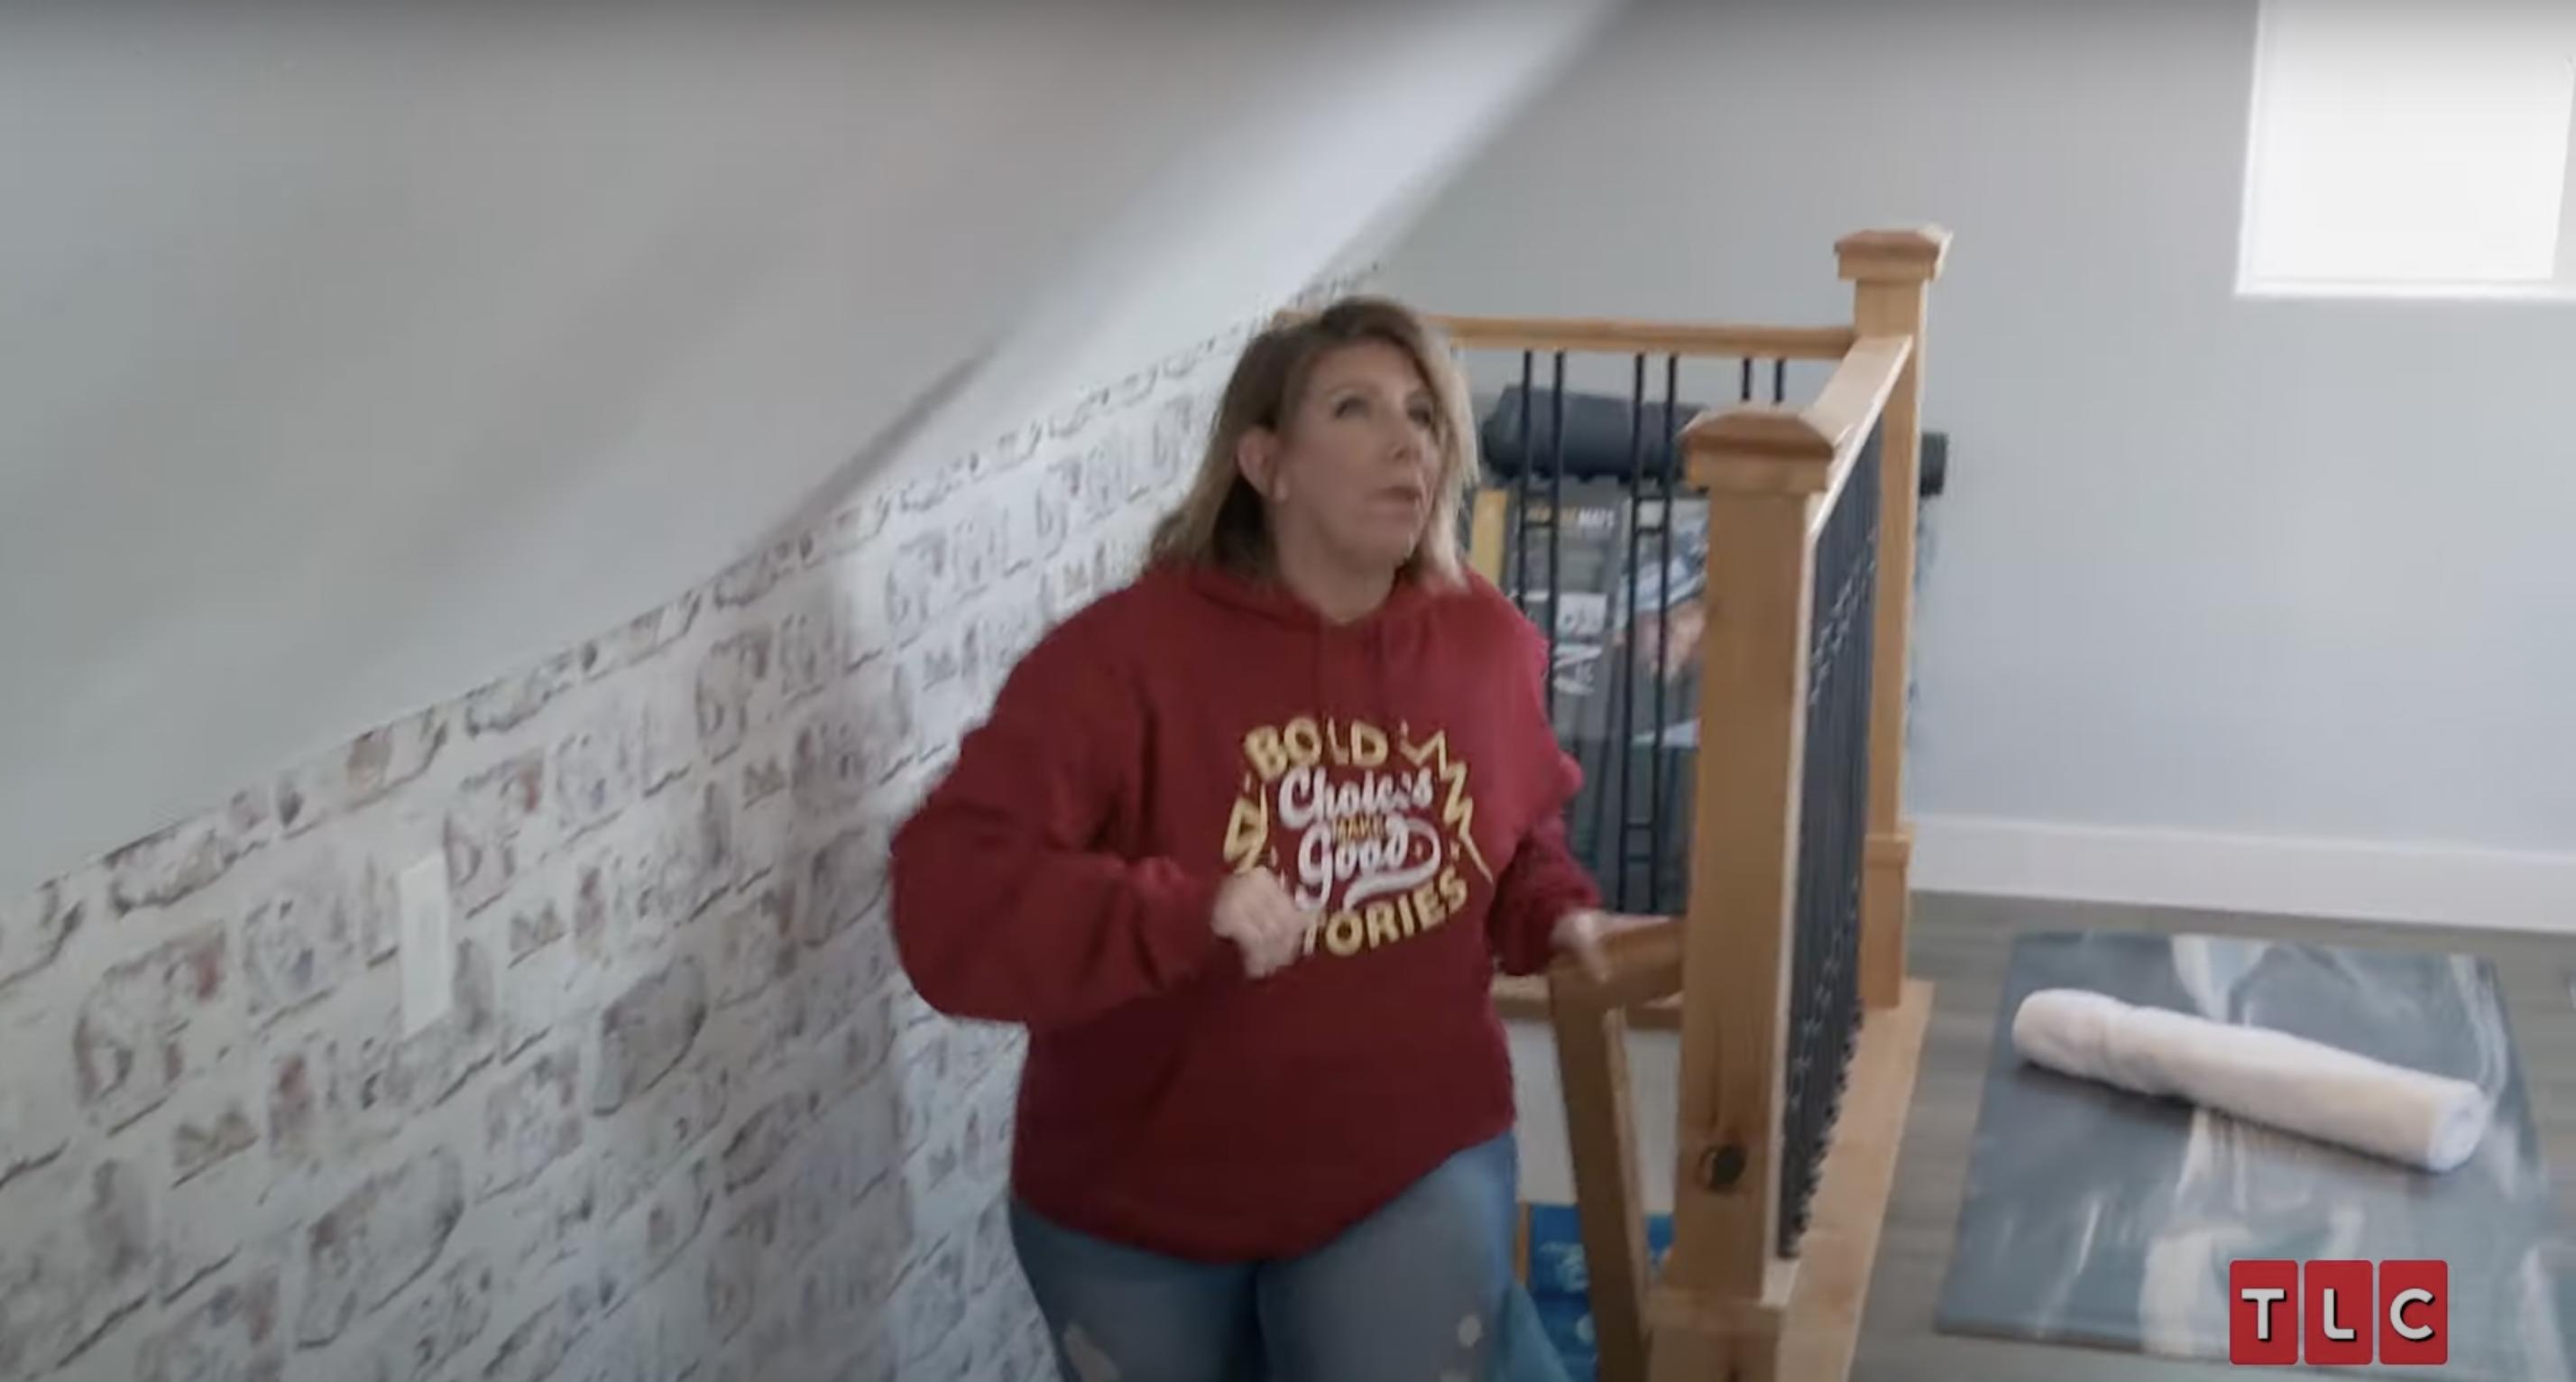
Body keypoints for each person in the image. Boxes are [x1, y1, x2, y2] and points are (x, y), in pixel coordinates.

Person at [888, 297, 1660, 1382]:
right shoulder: (1120, 660)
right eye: (1356, 409)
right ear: (1267, 461)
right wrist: (1179, 908)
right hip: (1135, 1187)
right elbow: (948, 896)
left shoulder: (1484, 642)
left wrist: (1557, 908)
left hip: (1402, 1153)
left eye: (1425, 417)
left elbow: (1515, 825)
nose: (1408, 443)